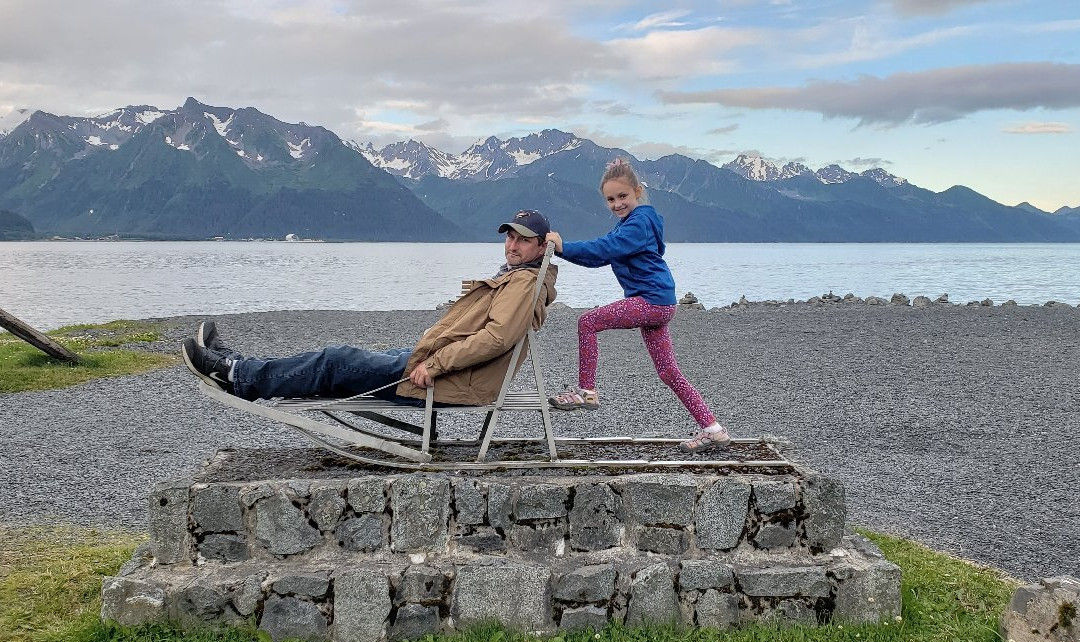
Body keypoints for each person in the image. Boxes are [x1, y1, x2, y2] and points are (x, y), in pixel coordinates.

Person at [182, 210, 557, 406]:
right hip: (451, 369)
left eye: (523, 240)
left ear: (540, 246)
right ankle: (243, 366)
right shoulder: (518, 275)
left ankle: (237, 375)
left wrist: (436, 363)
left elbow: (496, 337)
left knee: (335, 361)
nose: (512, 245)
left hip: (452, 379)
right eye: (509, 236)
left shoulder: (523, 282)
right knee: (343, 359)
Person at [544, 159, 730, 453]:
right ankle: (713, 429)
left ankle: (586, 391)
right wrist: (564, 251)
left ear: (638, 192)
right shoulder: (631, 225)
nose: (617, 203)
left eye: (623, 196)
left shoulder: (640, 222)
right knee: (669, 373)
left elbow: (605, 249)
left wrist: (563, 246)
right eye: (610, 199)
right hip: (659, 303)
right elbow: (600, 254)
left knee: (587, 322)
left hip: (651, 302)